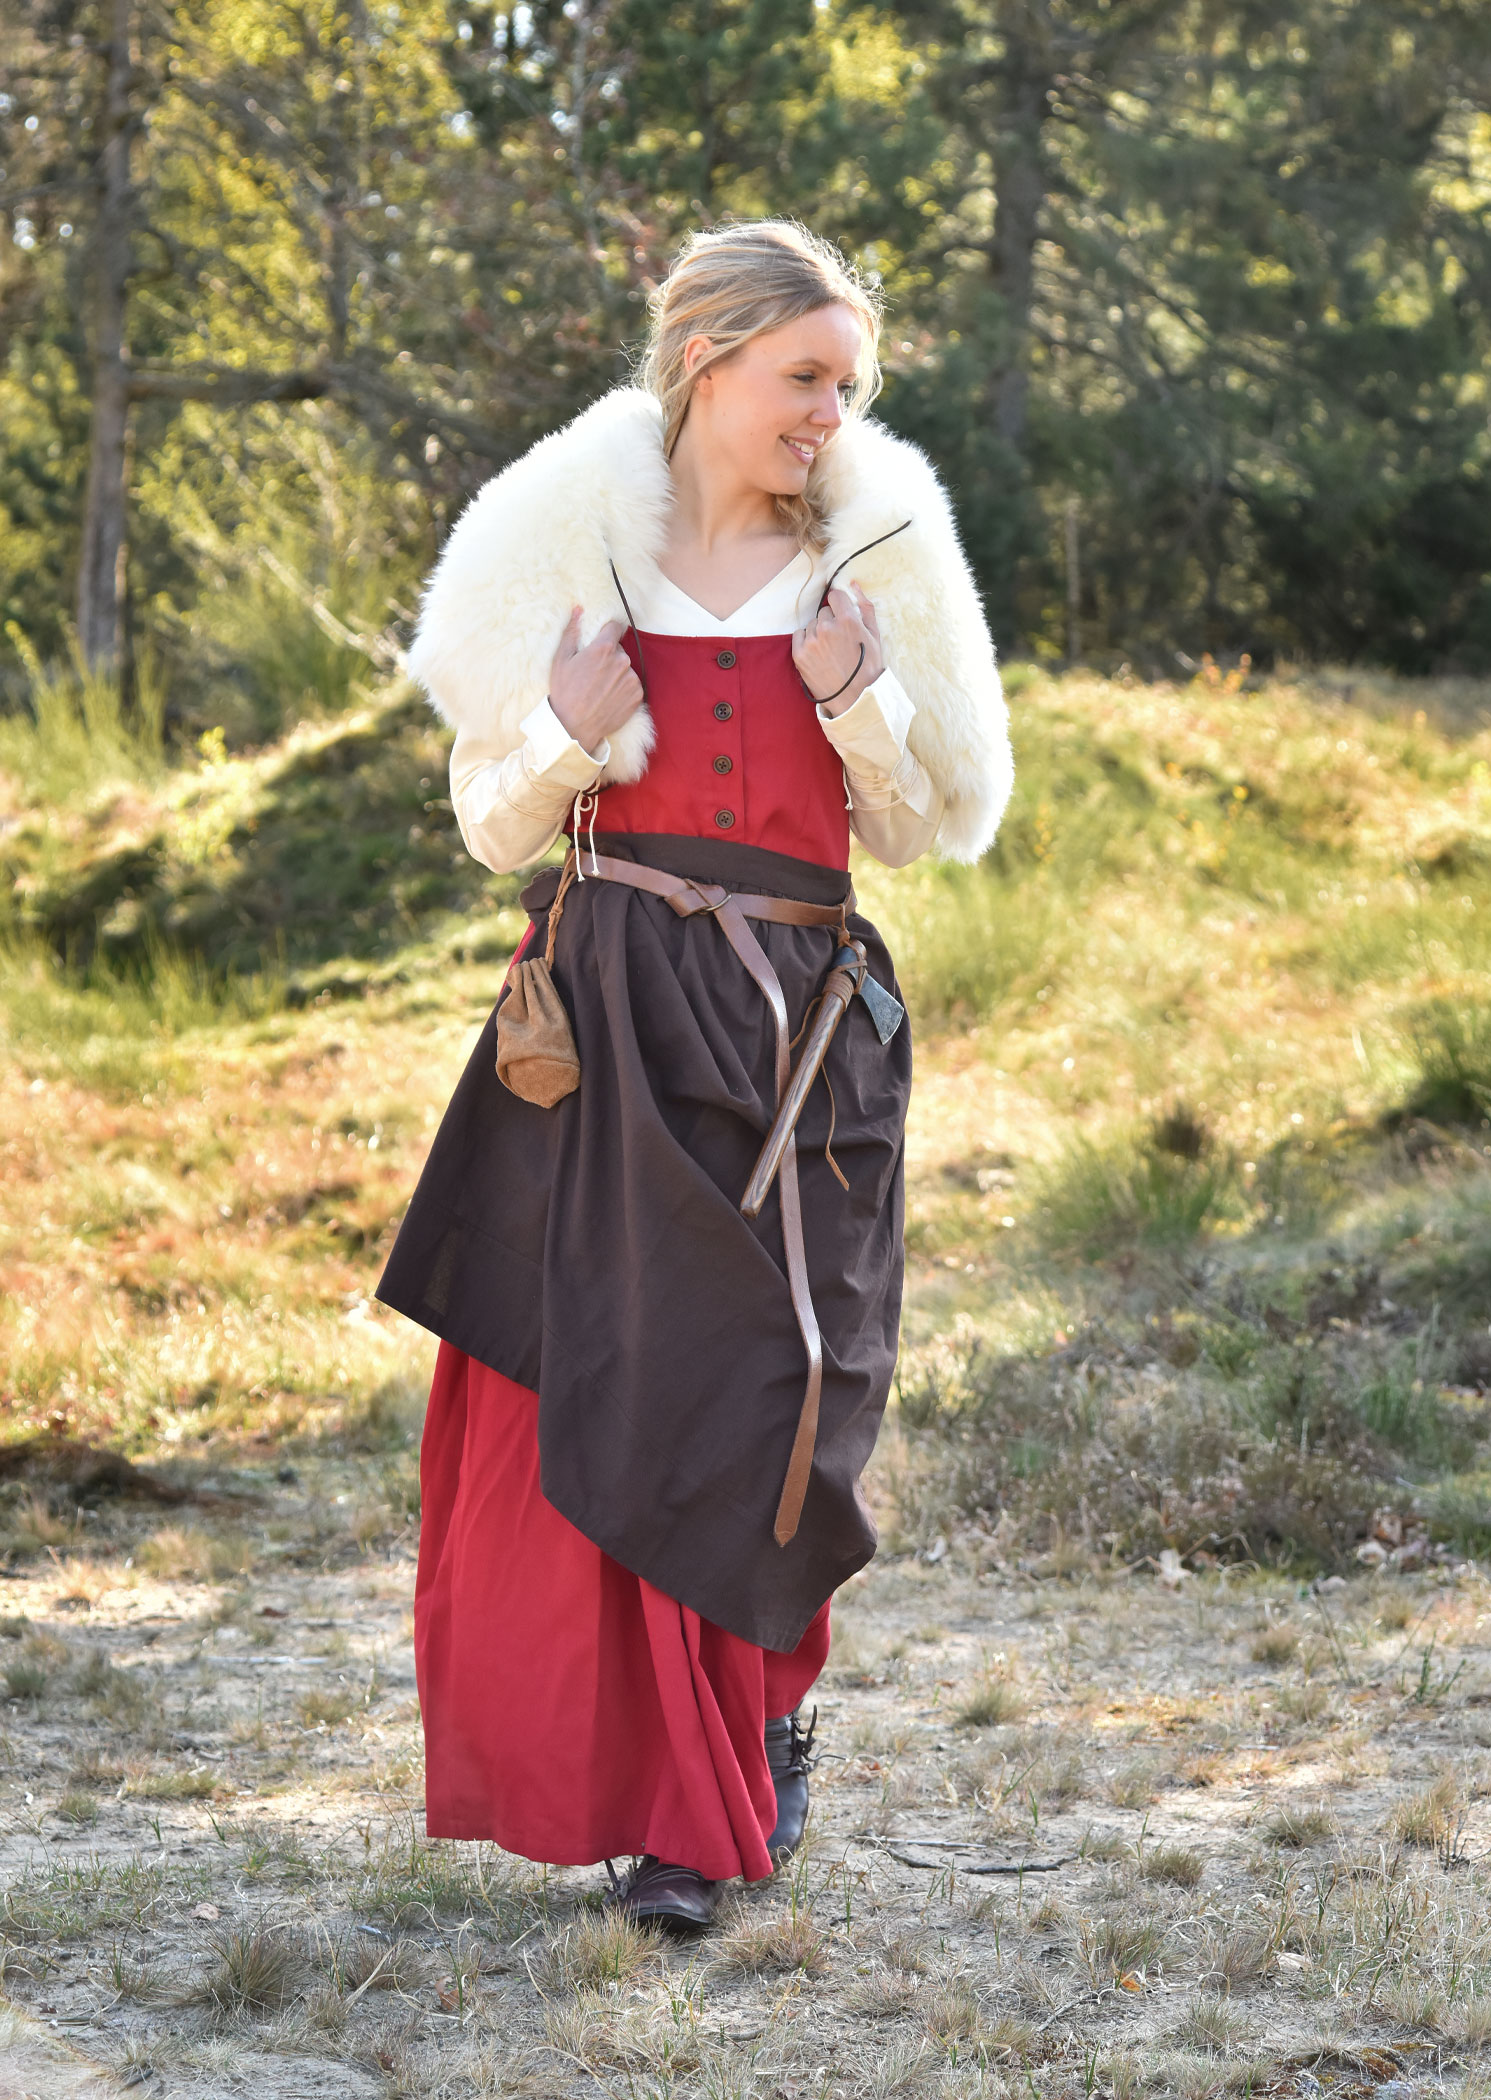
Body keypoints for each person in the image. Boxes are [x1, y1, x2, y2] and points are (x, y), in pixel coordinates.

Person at [376, 219, 1011, 1931]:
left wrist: (859, 702)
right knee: (618, 1382)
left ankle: (764, 1732)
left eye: (848, 384)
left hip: (800, 1036)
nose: (830, 414)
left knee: (783, 1391)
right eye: (805, 377)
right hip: (609, 1025)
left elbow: (942, 820)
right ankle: (676, 1815)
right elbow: (490, 823)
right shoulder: (560, 547)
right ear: (709, 361)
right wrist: (574, 731)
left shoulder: (877, 551)